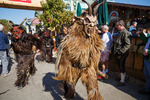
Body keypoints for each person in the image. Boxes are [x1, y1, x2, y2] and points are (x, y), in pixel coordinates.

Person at [114, 20, 131, 86]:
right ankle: (121, 78)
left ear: (121, 25)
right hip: (119, 52)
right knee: (119, 65)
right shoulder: (121, 32)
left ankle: (122, 81)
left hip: (122, 53)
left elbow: (128, 44)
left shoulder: (125, 32)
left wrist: (121, 51)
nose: (116, 26)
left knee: (121, 66)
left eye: (117, 25)